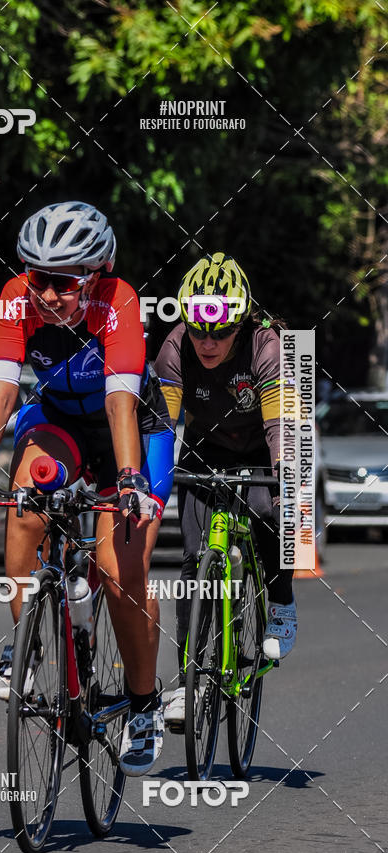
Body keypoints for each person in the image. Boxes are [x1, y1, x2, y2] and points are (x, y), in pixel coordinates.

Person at [0, 201, 174, 776]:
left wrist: (127, 482)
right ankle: (29, 637)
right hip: (58, 421)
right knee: (22, 508)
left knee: (121, 573)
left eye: (63, 283)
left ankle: (144, 704)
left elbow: (121, 402)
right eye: (38, 277)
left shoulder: (118, 301)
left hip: (132, 431)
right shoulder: (15, 297)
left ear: (95, 275)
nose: (48, 294)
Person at [154, 252, 296, 728]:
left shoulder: (266, 346)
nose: (207, 342)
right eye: (198, 330)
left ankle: (281, 600)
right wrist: (147, 482)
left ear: (241, 323)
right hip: (204, 451)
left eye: (219, 332)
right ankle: (186, 686)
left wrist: (283, 476)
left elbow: (280, 424)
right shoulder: (173, 349)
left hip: (260, 449)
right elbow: (160, 428)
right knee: (194, 565)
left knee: (269, 512)